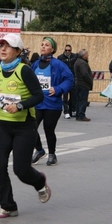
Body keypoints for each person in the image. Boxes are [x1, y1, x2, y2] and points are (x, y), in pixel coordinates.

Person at [0, 34, 50, 218]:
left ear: (18, 51)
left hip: (24, 127)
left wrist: (19, 106)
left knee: (21, 170)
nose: (2, 49)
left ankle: (40, 181)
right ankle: (8, 206)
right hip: (2, 126)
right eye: (1, 45)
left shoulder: (24, 70)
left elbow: (38, 96)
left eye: (8, 46)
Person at [31, 37, 74, 165]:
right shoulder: (35, 64)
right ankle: (39, 150)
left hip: (52, 103)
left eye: (47, 45)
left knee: (48, 129)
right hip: (37, 102)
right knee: (30, 128)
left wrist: (58, 89)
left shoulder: (58, 64)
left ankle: (52, 154)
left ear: (53, 49)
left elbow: (69, 79)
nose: (43, 47)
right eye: (42, 44)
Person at [57, 44, 77, 119]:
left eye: (69, 50)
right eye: (66, 50)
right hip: (64, 79)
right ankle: (66, 111)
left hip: (72, 78)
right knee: (65, 96)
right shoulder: (60, 57)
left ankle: (73, 110)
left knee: (73, 95)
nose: (68, 52)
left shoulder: (75, 56)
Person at [74, 49, 93, 121]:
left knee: (79, 100)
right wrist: (90, 80)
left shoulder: (78, 61)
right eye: (87, 54)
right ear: (84, 55)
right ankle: (81, 115)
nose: (88, 56)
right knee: (82, 100)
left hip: (78, 83)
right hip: (83, 84)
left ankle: (78, 114)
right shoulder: (82, 63)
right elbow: (85, 74)